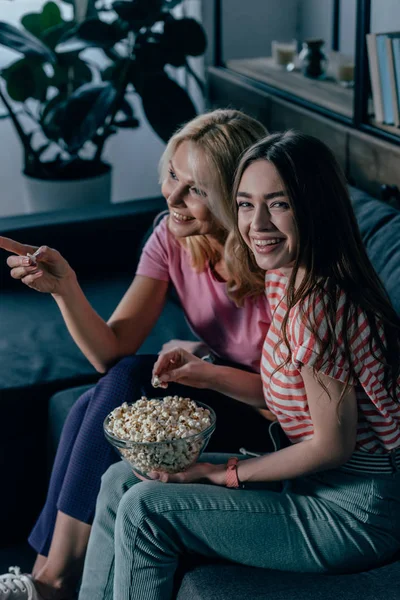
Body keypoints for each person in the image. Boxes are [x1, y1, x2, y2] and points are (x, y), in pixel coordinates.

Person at [76, 130, 400, 600]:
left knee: (148, 509)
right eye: (246, 204)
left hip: (351, 512)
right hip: (309, 483)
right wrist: (204, 374)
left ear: (316, 207)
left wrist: (223, 473)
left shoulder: (318, 305)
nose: (258, 223)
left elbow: (332, 444)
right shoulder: (285, 279)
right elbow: (296, 402)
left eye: (280, 204)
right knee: (122, 477)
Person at [0, 110, 277, 600]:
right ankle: (45, 573)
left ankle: (52, 579)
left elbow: (293, 401)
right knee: (101, 395)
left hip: (275, 423)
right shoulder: (172, 237)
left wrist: (209, 373)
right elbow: (111, 351)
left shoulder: (276, 257)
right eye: (172, 174)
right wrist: (66, 290)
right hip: (224, 391)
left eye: (195, 188)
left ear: (238, 197)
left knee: (127, 381)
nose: (171, 197)